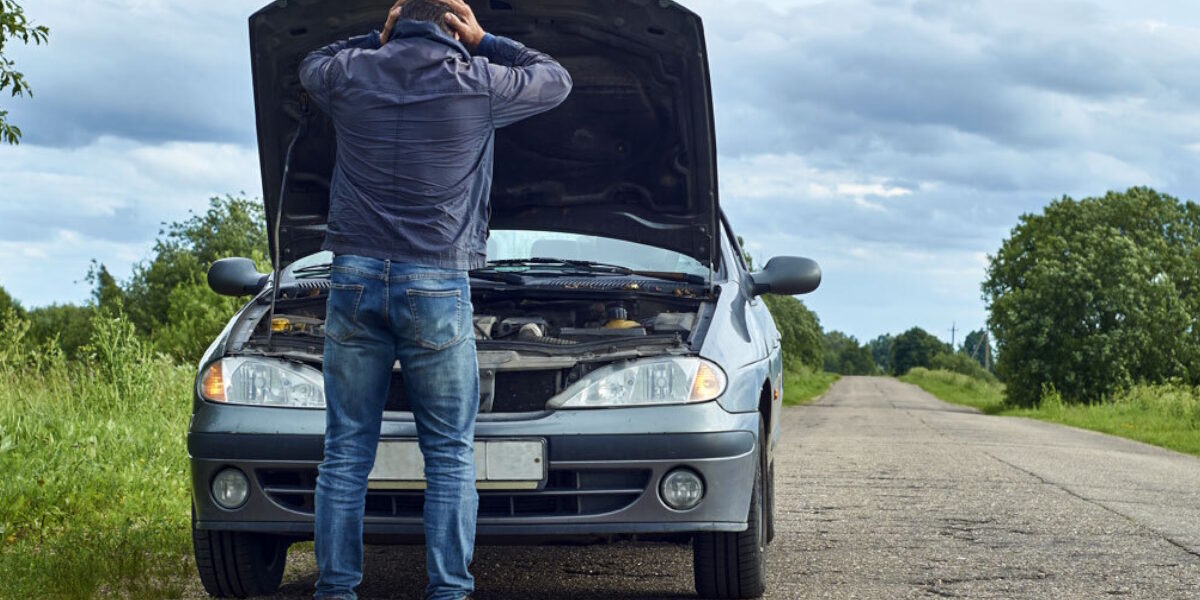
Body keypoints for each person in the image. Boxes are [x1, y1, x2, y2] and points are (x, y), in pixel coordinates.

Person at [298, 1, 572, 598]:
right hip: (435, 281)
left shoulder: (351, 71)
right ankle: (448, 591)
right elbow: (556, 78)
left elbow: (310, 62)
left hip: (353, 275)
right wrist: (486, 39)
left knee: (345, 450)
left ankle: (336, 590)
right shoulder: (477, 82)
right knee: (448, 454)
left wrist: (377, 37)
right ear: (453, 25)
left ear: (399, 21)